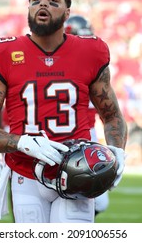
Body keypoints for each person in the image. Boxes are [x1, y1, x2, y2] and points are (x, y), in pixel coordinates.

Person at [0, 0, 127, 223]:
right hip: (26, 172)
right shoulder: (5, 52)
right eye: (36, 0)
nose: (43, 4)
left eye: (53, 1)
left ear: (67, 13)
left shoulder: (90, 51)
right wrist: (22, 143)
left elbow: (112, 116)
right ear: (29, 8)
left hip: (77, 169)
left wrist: (117, 150)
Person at [64, 14, 110, 216]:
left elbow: (108, 112)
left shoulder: (94, 62)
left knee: (96, 199)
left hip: (85, 134)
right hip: (64, 135)